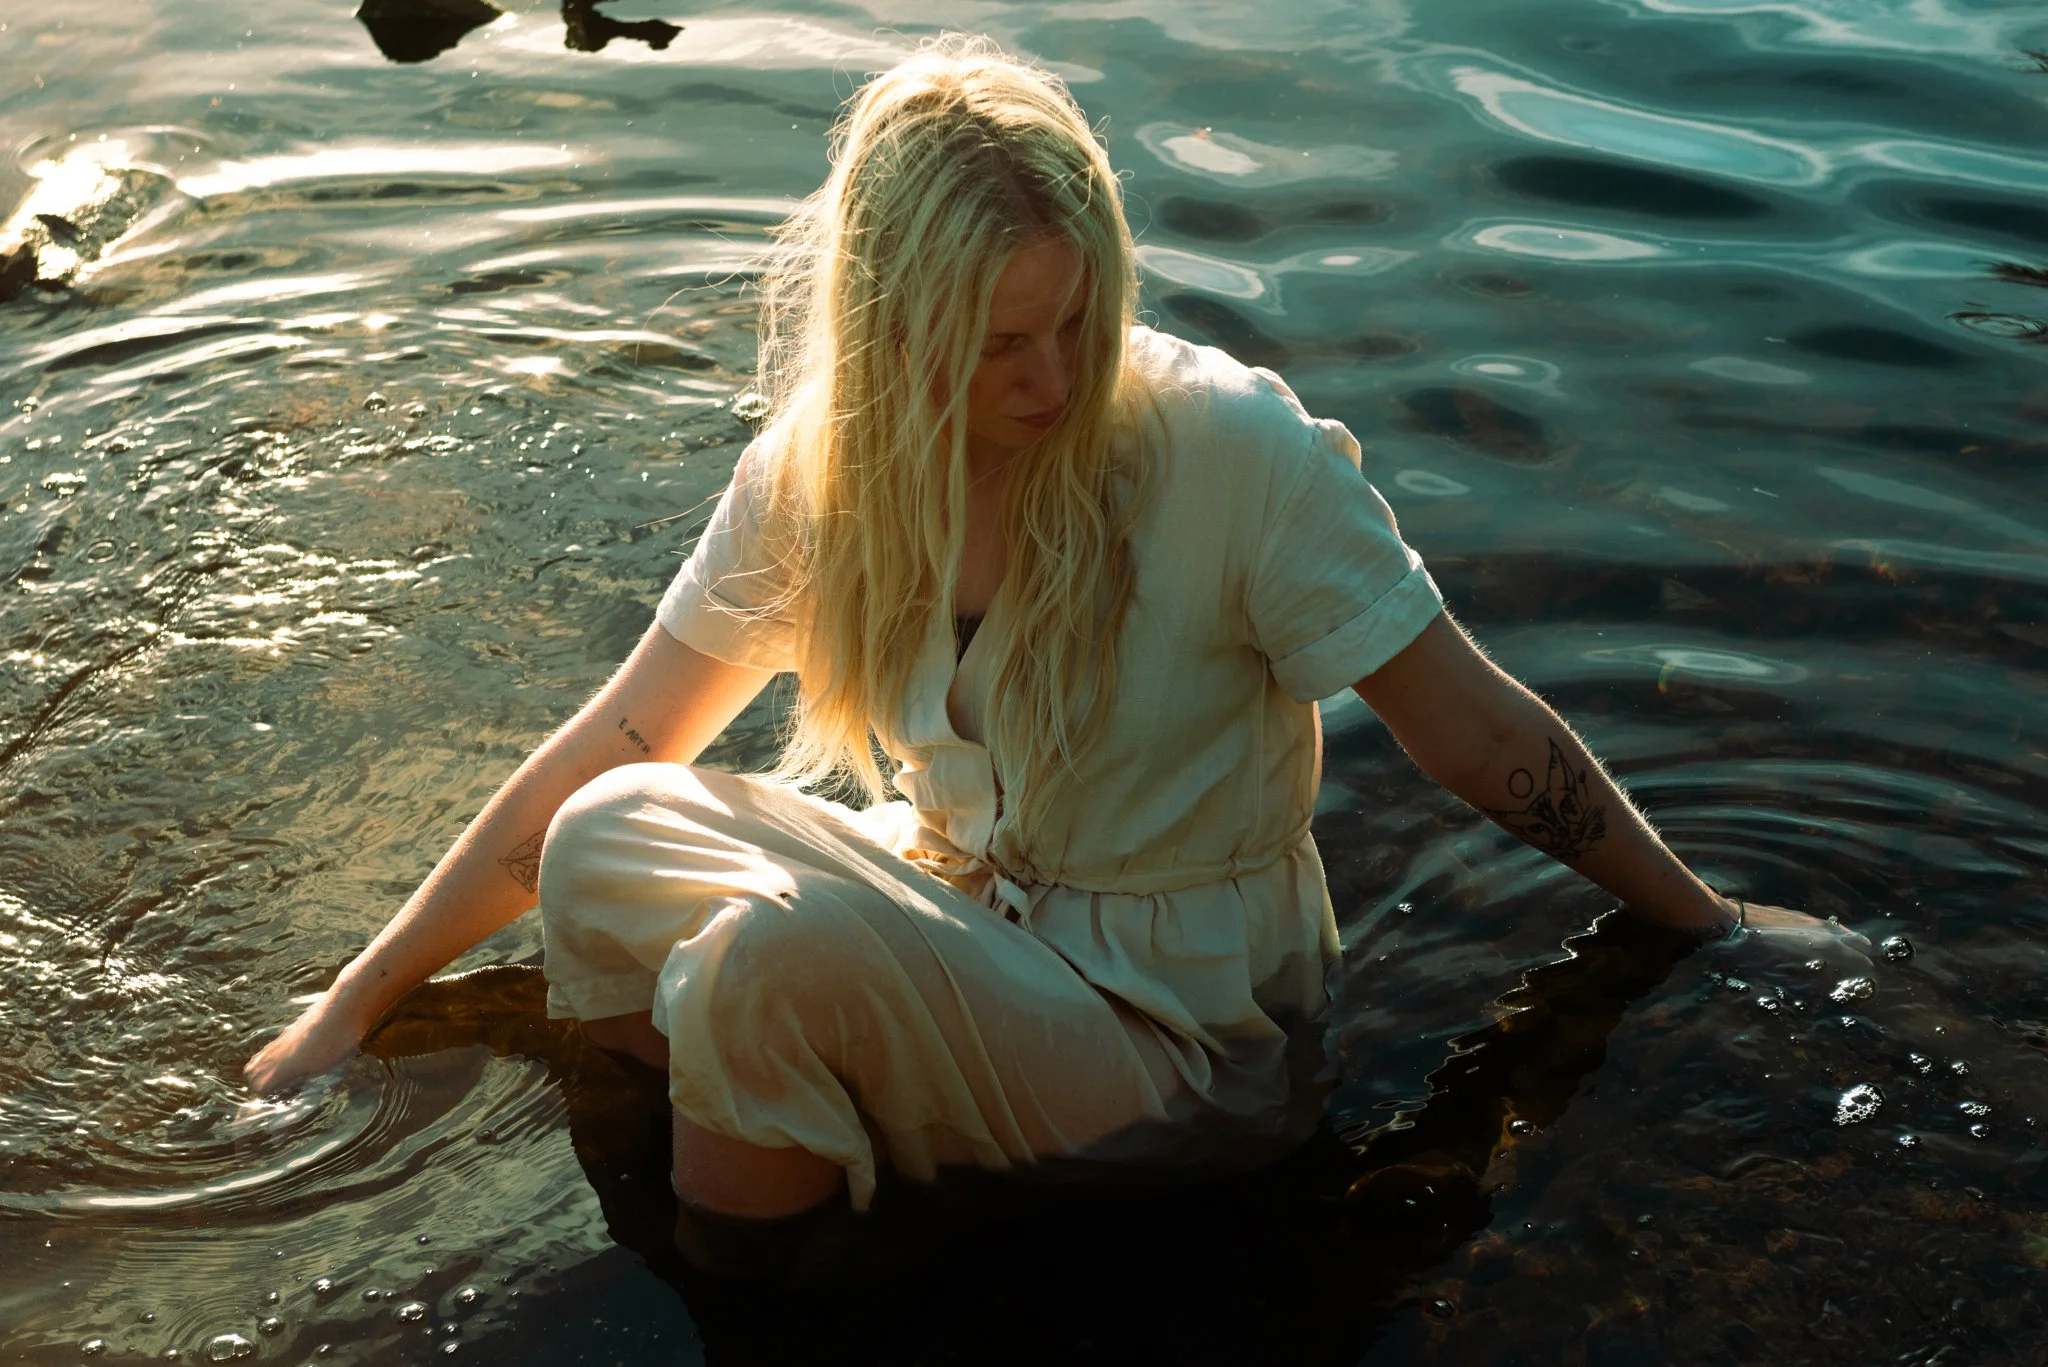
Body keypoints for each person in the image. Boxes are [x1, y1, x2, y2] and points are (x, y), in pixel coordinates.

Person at [246, 35, 1861, 1234]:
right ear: (897, 332)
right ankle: (721, 1186)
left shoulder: (1225, 448)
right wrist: (346, 1012)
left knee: (762, 971)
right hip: (978, 932)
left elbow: (1478, 734)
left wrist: (1707, 922)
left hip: (1182, 1046)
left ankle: (763, 1294)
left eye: (1078, 318)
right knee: (605, 842)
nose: (1051, 372)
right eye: (999, 340)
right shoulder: (830, 471)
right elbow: (615, 741)